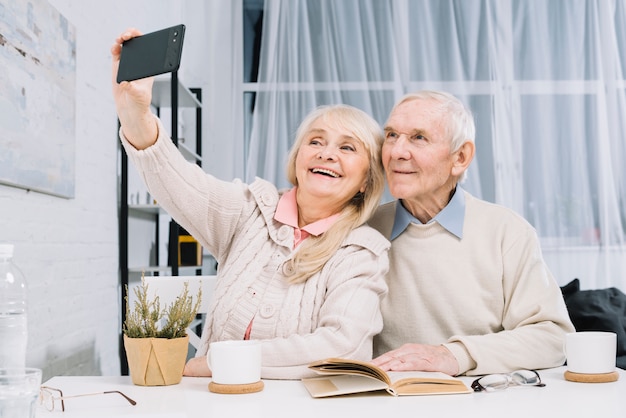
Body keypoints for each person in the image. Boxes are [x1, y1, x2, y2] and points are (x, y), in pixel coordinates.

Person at [112, 29, 390, 380]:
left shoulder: (361, 253)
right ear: (298, 157)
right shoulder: (250, 209)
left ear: (367, 180)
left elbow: (343, 346)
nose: (327, 153)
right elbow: (176, 181)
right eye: (315, 141)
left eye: (347, 148)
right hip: (214, 400)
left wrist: (219, 360)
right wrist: (134, 113)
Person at [368, 90, 575, 376]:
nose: (397, 152)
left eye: (418, 137)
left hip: (480, 400)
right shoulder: (364, 229)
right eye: (391, 135)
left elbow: (553, 338)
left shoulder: (507, 231)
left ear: (460, 157)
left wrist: (454, 356)